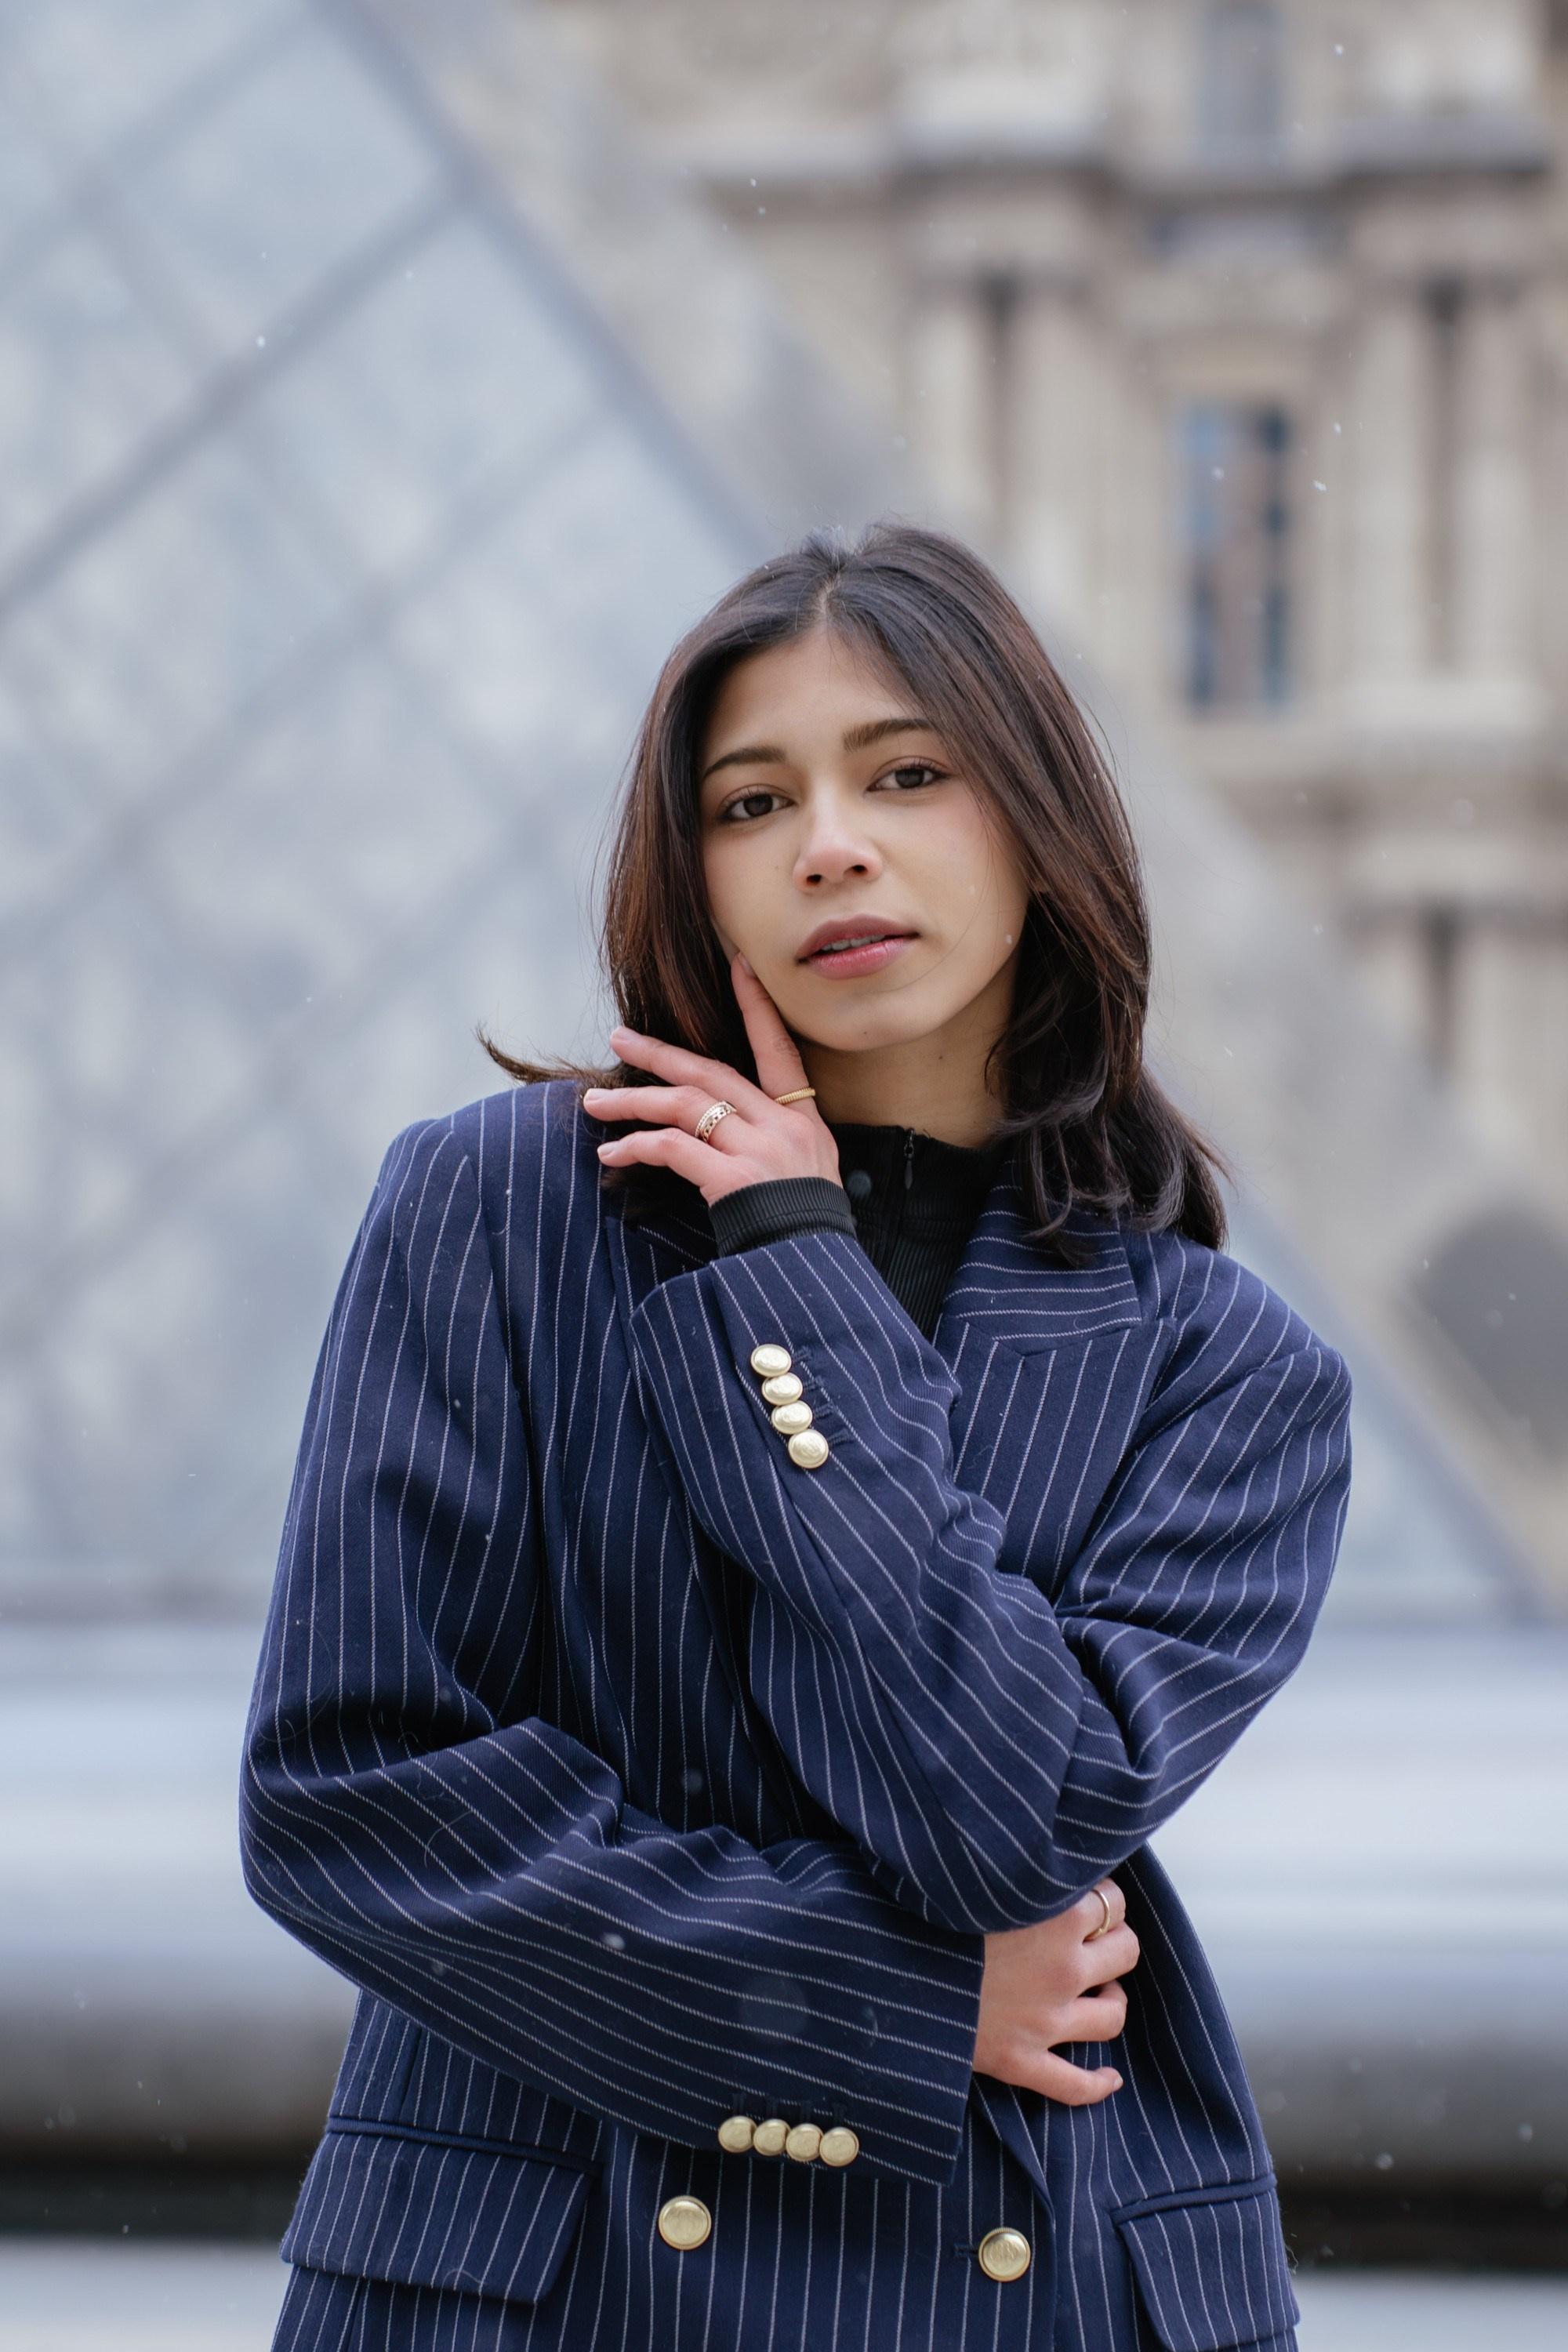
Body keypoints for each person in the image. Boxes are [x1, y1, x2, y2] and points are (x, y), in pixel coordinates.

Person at [244, 524, 1351, 2351]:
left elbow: (1011, 1823)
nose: (829, 841)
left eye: (907, 773)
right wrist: (893, 2005)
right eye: (751, 803)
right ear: (692, 871)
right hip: (549, 2283)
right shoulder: (498, 1211)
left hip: (1028, 2279)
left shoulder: (1227, 1372)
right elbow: (350, 1794)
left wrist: (793, 1282)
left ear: (1040, 820)